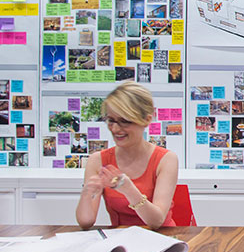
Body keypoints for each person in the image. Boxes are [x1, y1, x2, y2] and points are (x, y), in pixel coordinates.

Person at [76, 82, 180, 229]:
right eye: (111, 121)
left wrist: (128, 189)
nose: (115, 129)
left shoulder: (166, 159)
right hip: (121, 237)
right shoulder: (98, 160)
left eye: (124, 121)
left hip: (160, 236)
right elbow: (86, 222)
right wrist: (86, 194)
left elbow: (156, 221)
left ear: (146, 120)